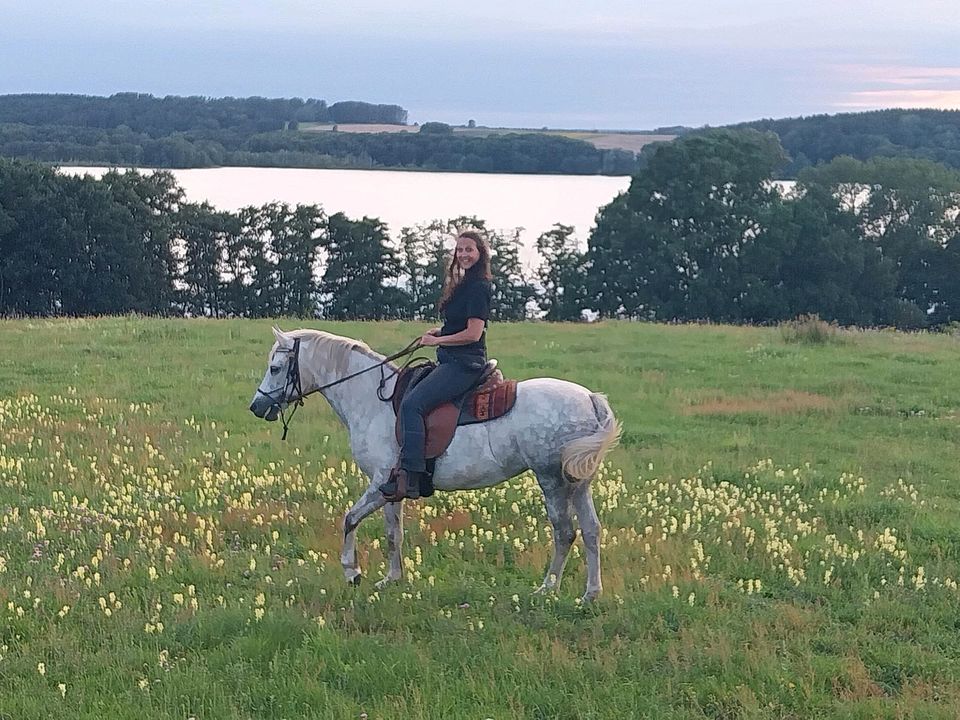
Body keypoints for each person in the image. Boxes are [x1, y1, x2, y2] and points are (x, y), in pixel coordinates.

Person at [380, 230, 494, 501]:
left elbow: (473, 334)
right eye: (460, 250)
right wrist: (442, 332)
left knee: (412, 404)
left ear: (480, 254)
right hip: (450, 358)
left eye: (469, 250)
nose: (464, 254)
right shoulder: (465, 283)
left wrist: (436, 342)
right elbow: (459, 325)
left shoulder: (479, 287)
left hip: (464, 364)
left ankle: (410, 476)